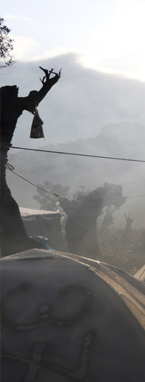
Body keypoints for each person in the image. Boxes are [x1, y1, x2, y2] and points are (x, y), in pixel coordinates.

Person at [0, 67, 61, 256]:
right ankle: (16, 246)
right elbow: (33, 101)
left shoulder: (11, 105)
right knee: (6, 204)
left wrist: (48, 85)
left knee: (6, 204)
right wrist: (48, 85)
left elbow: (33, 101)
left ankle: (15, 245)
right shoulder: (14, 105)